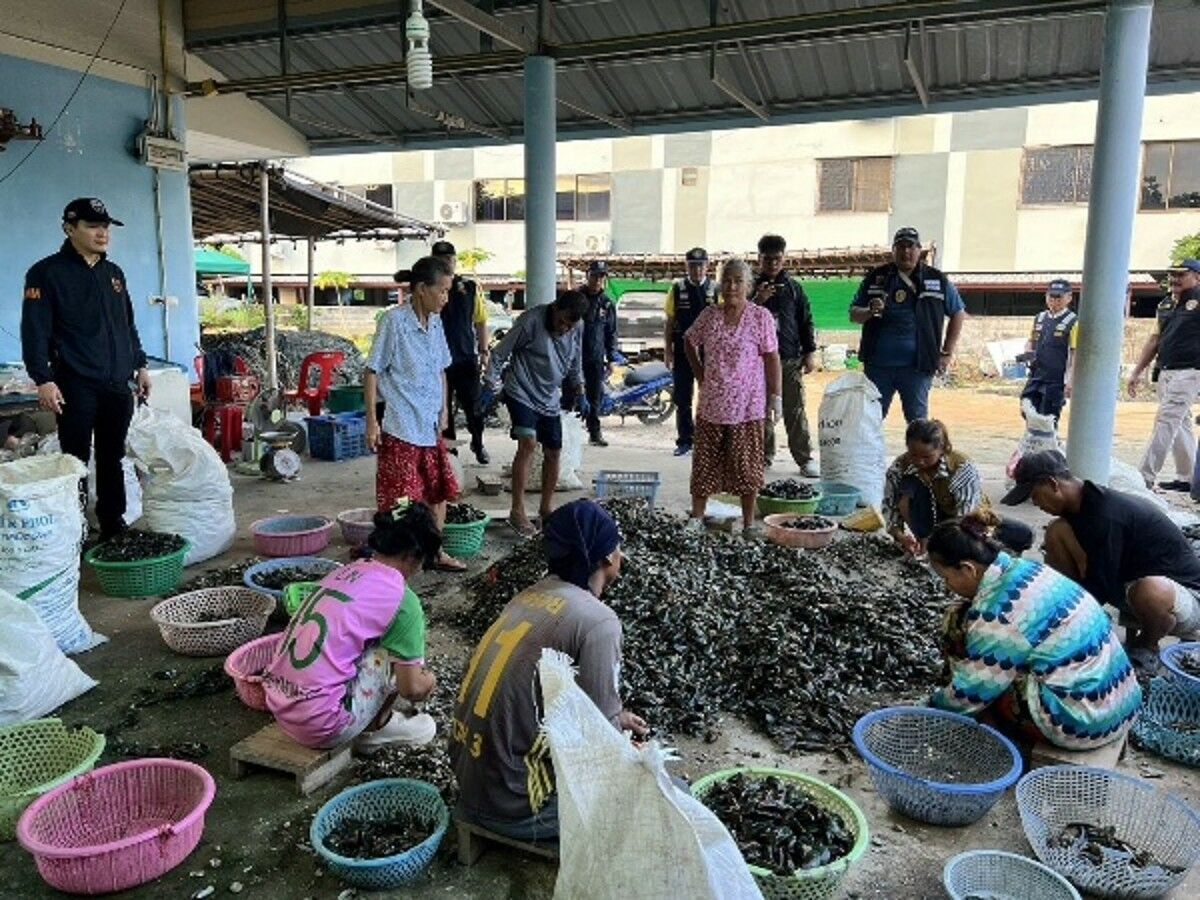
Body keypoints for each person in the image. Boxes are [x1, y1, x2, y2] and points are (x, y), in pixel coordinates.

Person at [451, 500, 647, 842]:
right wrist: (629, 750)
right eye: (617, 548)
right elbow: (602, 735)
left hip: (467, 782)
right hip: (515, 807)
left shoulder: (528, 596)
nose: (622, 557)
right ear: (604, 558)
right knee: (661, 791)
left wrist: (618, 715)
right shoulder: (600, 621)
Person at [926, 513, 1141, 750]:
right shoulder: (1027, 569)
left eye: (946, 578)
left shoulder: (996, 614)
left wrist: (932, 706)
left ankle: (996, 731)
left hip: (1083, 723)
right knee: (965, 620)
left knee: (982, 675)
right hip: (1121, 701)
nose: (947, 587)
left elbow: (975, 692)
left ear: (967, 569)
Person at [21, 198, 151, 542]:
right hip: (75, 383)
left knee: (113, 456)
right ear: (69, 228)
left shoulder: (114, 274)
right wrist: (43, 378)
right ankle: (74, 529)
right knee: (74, 460)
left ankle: (112, 524)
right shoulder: (46, 273)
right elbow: (34, 330)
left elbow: (128, 326)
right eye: (93, 226)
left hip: (116, 383)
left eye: (105, 226)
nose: (102, 233)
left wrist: (140, 364)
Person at [263, 501, 440, 751]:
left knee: (359, 638)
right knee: (394, 653)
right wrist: (429, 681)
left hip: (281, 705)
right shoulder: (403, 599)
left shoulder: (347, 571)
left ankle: (363, 717)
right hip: (322, 725)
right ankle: (378, 729)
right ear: (413, 555)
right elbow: (410, 689)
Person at [1002, 450, 1200, 671]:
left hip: (1185, 596)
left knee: (1150, 590)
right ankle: (1082, 618)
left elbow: (1101, 585)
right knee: (1056, 532)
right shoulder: (1083, 504)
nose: (1036, 503)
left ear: (1052, 484)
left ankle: (1148, 645)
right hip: (1127, 585)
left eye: (1034, 496)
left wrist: (1059, 623)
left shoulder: (1107, 515)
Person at [364, 256, 465, 572]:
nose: (446, 298)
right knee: (402, 501)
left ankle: (434, 553)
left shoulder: (435, 322)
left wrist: (445, 410)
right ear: (421, 289)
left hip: (430, 425)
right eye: (443, 291)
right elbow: (371, 371)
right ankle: (392, 557)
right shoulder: (394, 322)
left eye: (449, 292)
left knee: (438, 493)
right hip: (401, 426)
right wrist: (371, 422)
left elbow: (441, 370)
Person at [685, 258, 782, 532]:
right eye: (726, 280)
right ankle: (697, 517)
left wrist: (776, 396)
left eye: (738, 281)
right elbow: (689, 342)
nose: (731, 287)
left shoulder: (760, 317)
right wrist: (701, 376)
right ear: (719, 284)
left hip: (747, 406)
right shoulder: (709, 316)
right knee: (705, 463)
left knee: (746, 465)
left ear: (748, 285)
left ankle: (750, 522)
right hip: (712, 403)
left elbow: (772, 357)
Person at [486, 291, 587, 538]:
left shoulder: (577, 327)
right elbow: (499, 354)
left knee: (554, 452)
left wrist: (579, 388)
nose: (564, 328)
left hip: (549, 397)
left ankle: (546, 510)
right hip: (521, 389)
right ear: (554, 308)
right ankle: (517, 511)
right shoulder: (529, 321)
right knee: (528, 442)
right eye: (562, 321)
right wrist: (490, 384)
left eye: (569, 325)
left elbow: (575, 360)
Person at [849, 227, 966, 422]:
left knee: (918, 424)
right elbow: (854, 314)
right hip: (878, 367)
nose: (906, 252)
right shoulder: (876, 278)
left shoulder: (936, 279)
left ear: (919, 250)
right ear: (893, 251)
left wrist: (946, 352)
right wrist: (870, 311)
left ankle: (919, 454)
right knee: (870, 421)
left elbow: (958, 313)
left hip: (918, 368)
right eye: (901, 247)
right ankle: (871, 454)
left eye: (911, 247)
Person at [883, 419, 1032, 556]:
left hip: (965, 520)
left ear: (941, 449)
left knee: (1023, 535)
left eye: (926, 457)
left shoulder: (961, 467)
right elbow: (889, 508)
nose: (919, 462)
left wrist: (944, 541)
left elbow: (966, 516)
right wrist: (900, 536)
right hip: (928, 520)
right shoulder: (899, 468)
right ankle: (929, 542)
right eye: (913, 455)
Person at [1128, 259, 1200, 491]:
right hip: (1166, 371)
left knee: (1166, 421)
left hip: (1190, 371)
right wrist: (1137, 371)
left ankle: (1144, 477)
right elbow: (1155, 340)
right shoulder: (1166, 304)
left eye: (1182, 274)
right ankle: (1186, 477)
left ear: (1197, 277)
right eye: (1172, 274)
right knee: (1181, 424)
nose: (1175, 278)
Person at [752, 234, 819, 476]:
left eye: (777, 259)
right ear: (759, 259)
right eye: (767, 259)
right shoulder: (749, 287)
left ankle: (804, 459)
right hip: (757, 363)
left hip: (789, 360)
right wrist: (757, 300)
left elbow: (806, 321)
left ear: (784, 259)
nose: (772, 264)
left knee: (794, 410)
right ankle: (763, 458)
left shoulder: (794, 289)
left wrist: (810, 352)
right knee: (761, 412)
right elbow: (738, 319)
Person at [431, 240, 490, 465]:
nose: (446, 264)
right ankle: (450, 452)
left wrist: (484, 350)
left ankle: (478, 441)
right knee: (443, 409)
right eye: (440, 260)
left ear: (455, 262)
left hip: (465, 357)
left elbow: (481, 321)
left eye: (449, 260)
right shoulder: (427, 289)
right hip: (438, 362)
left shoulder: (469, 287)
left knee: (474, 407)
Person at [663, 247, 717, 457]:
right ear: (687, 267)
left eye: (701, 265)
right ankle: (685, 441)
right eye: (693, 266)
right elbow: (669, 322)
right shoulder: (676, 289)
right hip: (682, 354)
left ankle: (706, 442)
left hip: (709, 354)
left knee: (710, 397)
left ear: (707, 266)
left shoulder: (716, 289)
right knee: (682, 398)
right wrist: (668, 350)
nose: (697, 270)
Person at [1020, 278, 1077, 424]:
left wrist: (1070, 381)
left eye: (1059, 297)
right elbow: (1031, 341)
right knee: (1027, 408)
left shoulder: (1073, 322)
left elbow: (1074, 354)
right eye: (1051, 297)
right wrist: (1027, 351)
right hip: (1036, 375)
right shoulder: (1039, 318)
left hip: (1055, 380)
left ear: (1069, 298)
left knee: (1048, 418)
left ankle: (1047, 446)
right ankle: (1032, 443)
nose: (1054, 301)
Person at [579, 260, 618, 447]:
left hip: (595, 357)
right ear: (588, 275)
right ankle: (564, 430)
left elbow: (611, 332)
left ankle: (594, 432)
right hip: (574, 356)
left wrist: (611, 358)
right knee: (570, 393)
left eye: (601, 276)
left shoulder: (607, 304)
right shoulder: (576, 298)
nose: (597, 279)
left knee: (594, 396)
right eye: (594, 275)